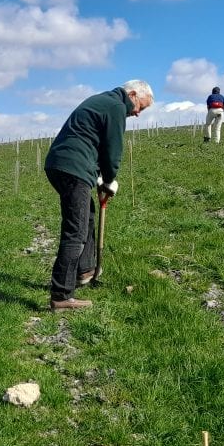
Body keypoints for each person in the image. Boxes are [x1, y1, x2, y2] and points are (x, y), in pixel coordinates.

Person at [44, 79, 154, 311]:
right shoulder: (116, 107)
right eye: (140, 107)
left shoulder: (105, 101)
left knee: (87, 218)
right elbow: (112, 149)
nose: (137, 113)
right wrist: (109, 179)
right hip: (73, 167)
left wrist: (99, 178)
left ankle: (84, 270)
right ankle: (61, 295)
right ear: (132, 94)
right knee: (76, 231)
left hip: (63, 164)